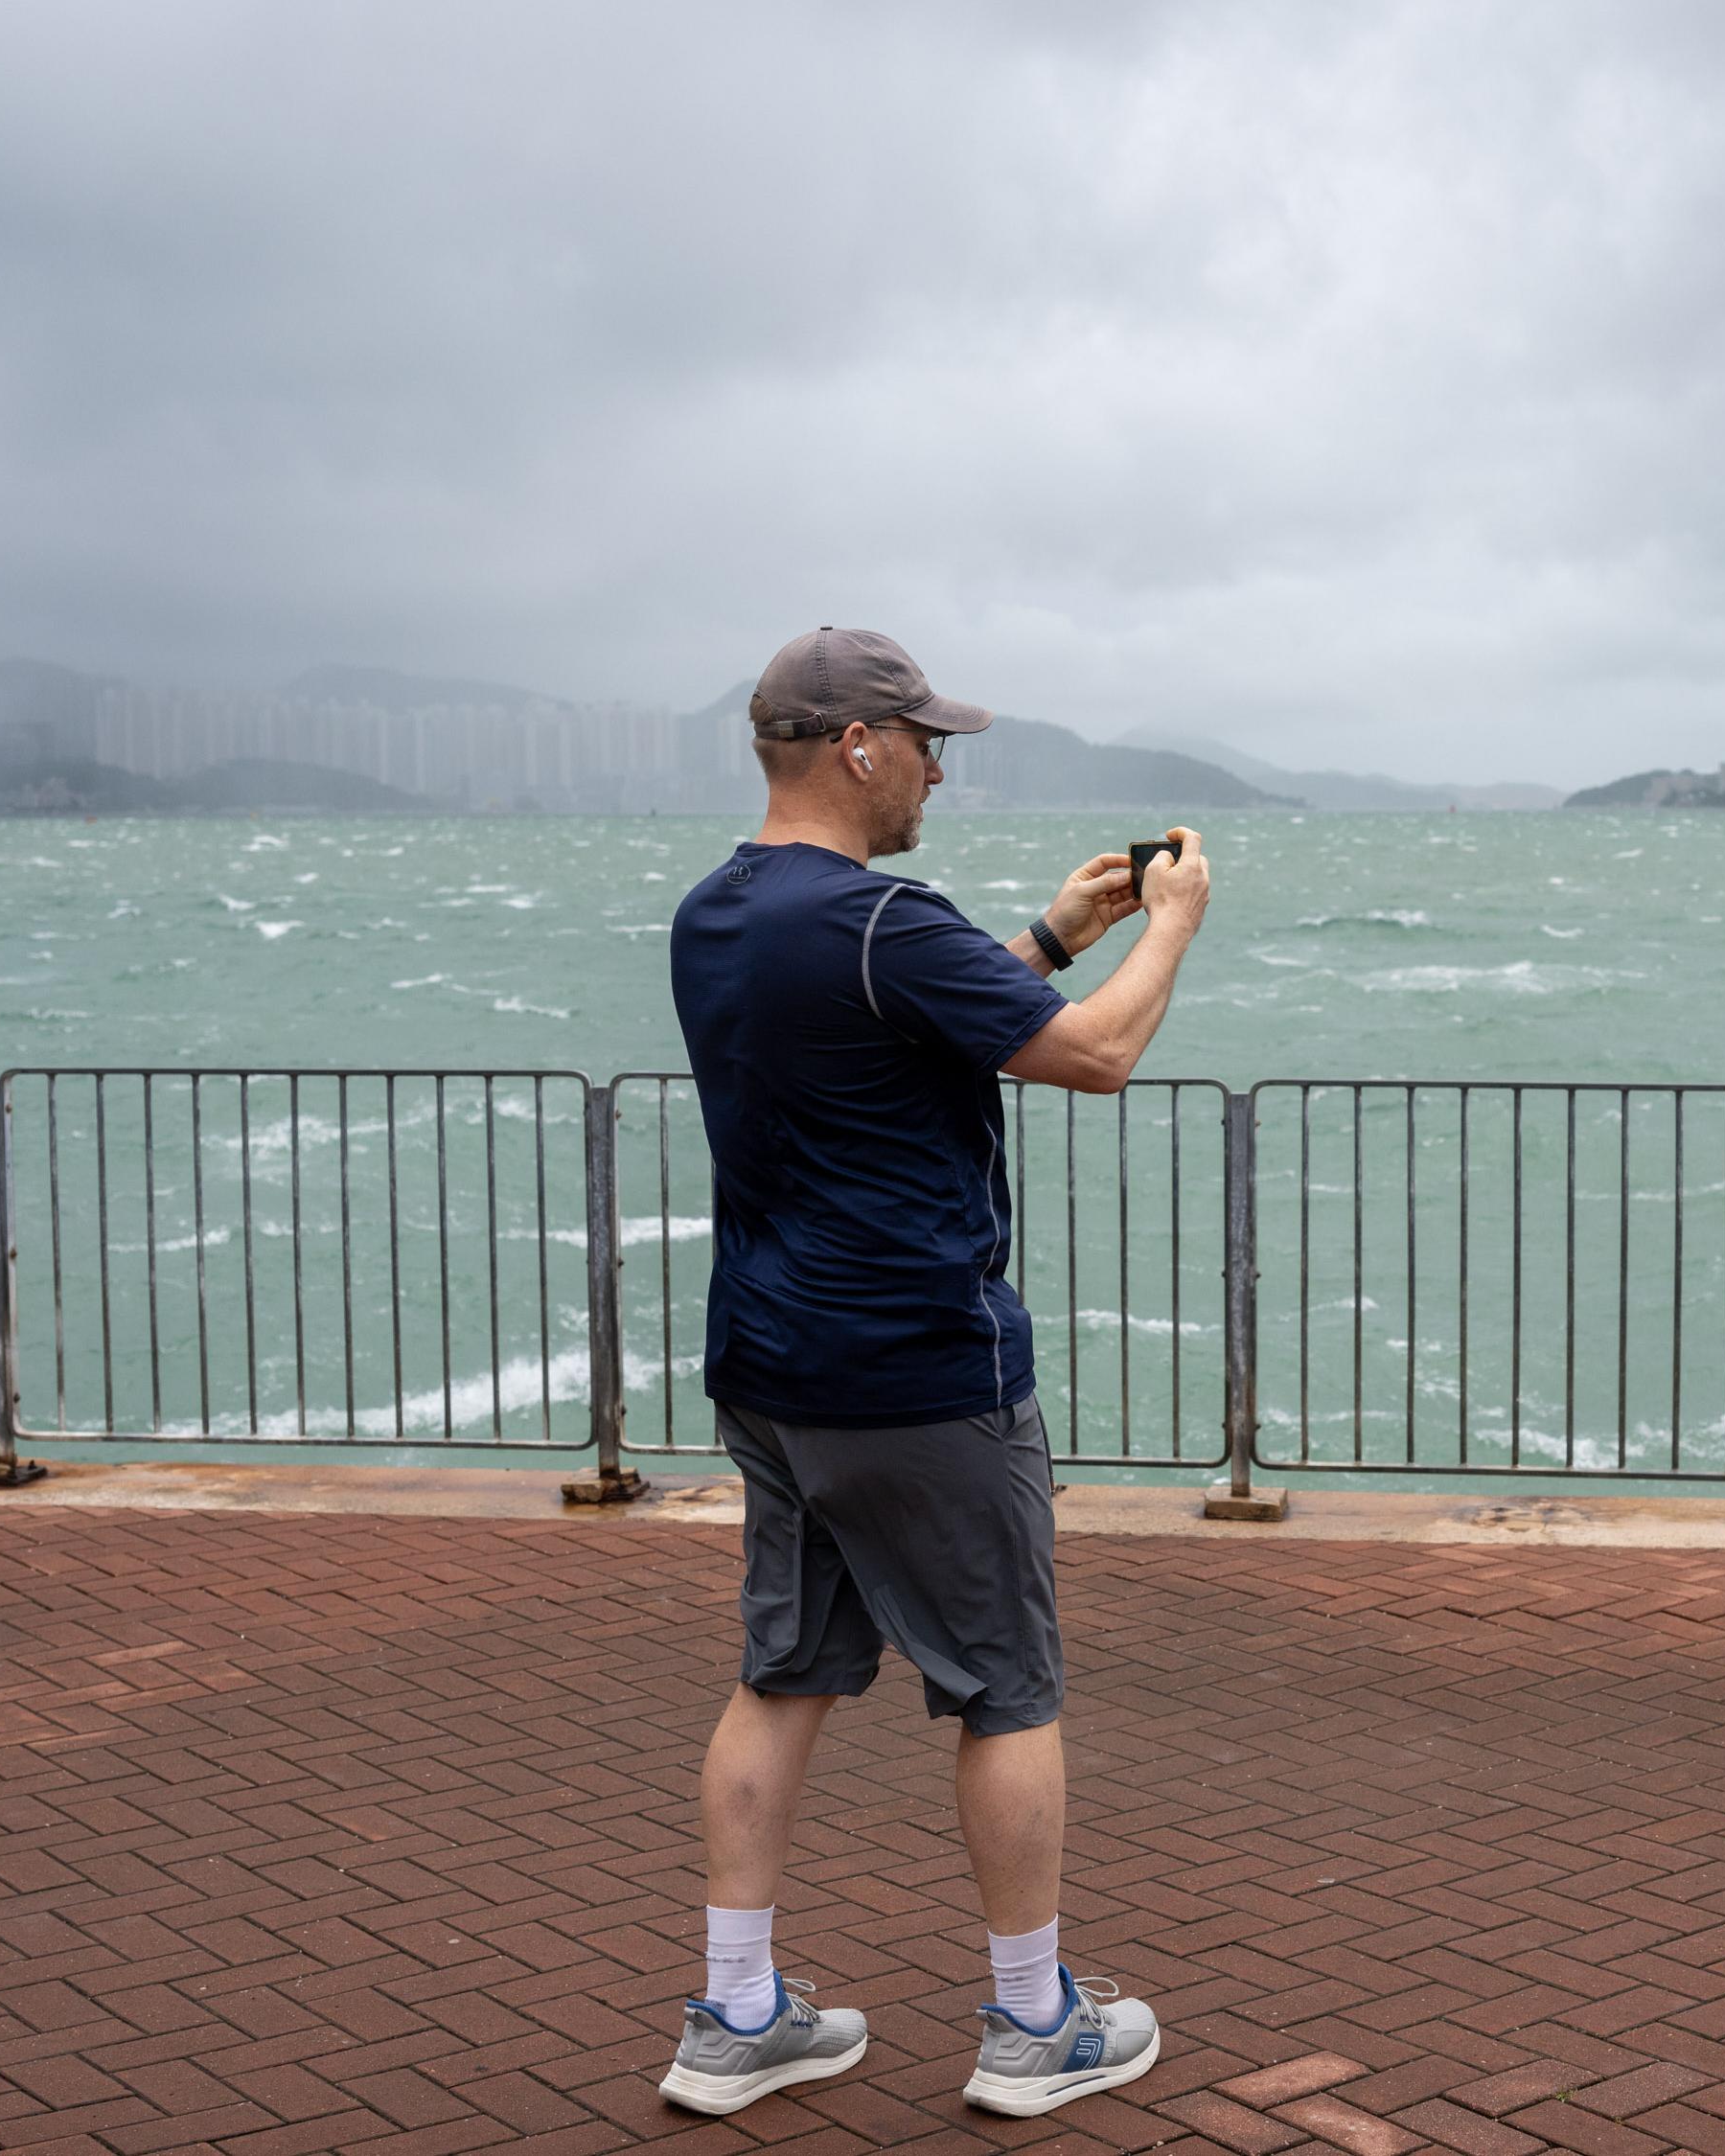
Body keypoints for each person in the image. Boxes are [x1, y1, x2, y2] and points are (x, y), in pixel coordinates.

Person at [654, 625, 1213, 2121]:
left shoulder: (719, 913)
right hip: (915, 1369)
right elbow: (1092, 1059)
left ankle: (739, 2008)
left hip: (772, 1362)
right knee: (1006, 1691)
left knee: (785, 1671)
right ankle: (1036, 2023)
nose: (939, 766)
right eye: (924, 740)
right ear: (856, 746)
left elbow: (881, 1045)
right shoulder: (880, 915)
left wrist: (1041, 940)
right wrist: (1170, 924)